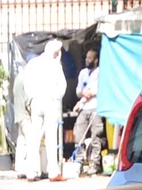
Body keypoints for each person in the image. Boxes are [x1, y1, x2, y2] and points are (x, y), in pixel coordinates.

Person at [14, 41, 63, 181]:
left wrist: (32, 98)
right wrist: (56, 97)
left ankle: (31, 171)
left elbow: (27, 84)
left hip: (36, 102)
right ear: (55, 53)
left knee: (34, 138)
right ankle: (53, 171)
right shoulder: (55, 65)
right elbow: (62, 86)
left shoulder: (32, 64)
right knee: (51, 137)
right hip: (50, 101)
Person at [71, 49, 107, 178]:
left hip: (96, 107)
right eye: (86, 57)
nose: (87, 60)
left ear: (96, 60)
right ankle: (79, 162)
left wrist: (80, 101)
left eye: (90, 58)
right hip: (84, 108)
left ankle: (94, 164)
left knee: (95, 136)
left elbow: (93, 92)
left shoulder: (100, 73)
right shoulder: (83, 73)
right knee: (78, 134)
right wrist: (82, 96)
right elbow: (78, 90)